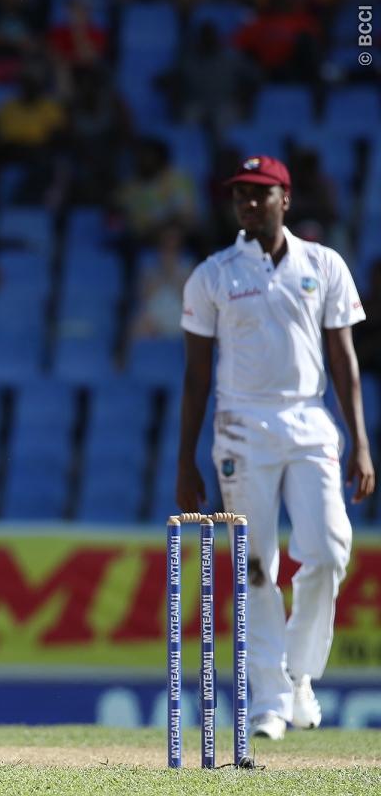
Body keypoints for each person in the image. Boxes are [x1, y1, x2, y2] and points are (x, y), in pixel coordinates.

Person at [176, 155, 375, 741]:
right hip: (241, 427)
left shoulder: (324, 264)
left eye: (261, 194)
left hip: (310, 422)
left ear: (286, 199)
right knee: (254, 564)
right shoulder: (214, 274)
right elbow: (194, 377)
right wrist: (185, 459)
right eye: (241, 194)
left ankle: (298, 674)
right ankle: (267, 698)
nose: (249, 203)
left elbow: (344, 360)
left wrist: (360, 443)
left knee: (331, 550)